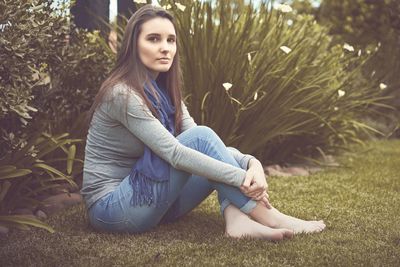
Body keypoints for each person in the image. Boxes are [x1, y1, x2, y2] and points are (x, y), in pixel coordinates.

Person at [81, 4, 326, 241]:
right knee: (201, 137)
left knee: (216, 148)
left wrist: (254, 164)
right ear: (133, 45)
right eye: (153, 39)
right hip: (112, 209)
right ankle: (270, 217)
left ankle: (237, 222)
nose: (165, 48)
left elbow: (203, 145)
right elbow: (177, 153)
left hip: (151, 202)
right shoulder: (122, 94)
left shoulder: (165, 91)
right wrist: (241, 179)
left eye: (170, 40)